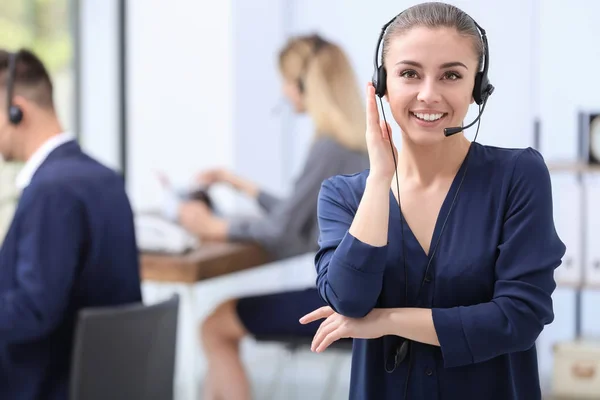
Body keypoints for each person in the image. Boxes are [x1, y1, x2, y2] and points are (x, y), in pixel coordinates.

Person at [299, 3, 566, 400]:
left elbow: (519, 318)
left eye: (451, 75)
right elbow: (349, 300)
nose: (428, 94)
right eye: (409, 73)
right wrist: (379, 181)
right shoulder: (344, 195)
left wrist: (388, 321)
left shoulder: (518, 176)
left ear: (477, 88)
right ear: (382, 84)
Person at [196, 34, 370, 400]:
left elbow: (284, 232)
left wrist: (214, 227)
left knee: (215, 325)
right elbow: (301, 215)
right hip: (363, 297)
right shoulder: (356, 145)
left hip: (342, 304)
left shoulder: (328, 148)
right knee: (219, 320)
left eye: (286, 81)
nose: (283, 91)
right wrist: (242, 185)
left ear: (304, 85)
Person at [0, 49, 142, 400]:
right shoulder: (102, 176)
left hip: (43, 383)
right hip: (102, 380)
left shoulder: (51, 190)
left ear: (17, 111)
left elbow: (34, 313)